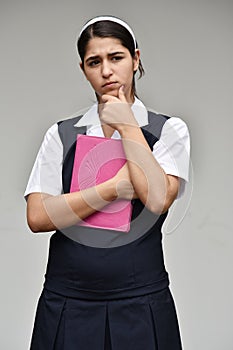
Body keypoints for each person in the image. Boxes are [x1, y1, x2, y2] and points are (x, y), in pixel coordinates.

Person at [25, 15, 190, 350]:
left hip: (141, 301)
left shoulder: (168, 131)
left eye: (116, 58)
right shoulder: (61, 134)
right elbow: (38, 216)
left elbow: (158, 199)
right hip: (68, 301)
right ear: (83, 69)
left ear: (136, 59)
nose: (106, 71)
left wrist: (128, 126)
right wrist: (112, 189)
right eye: (93, 62)